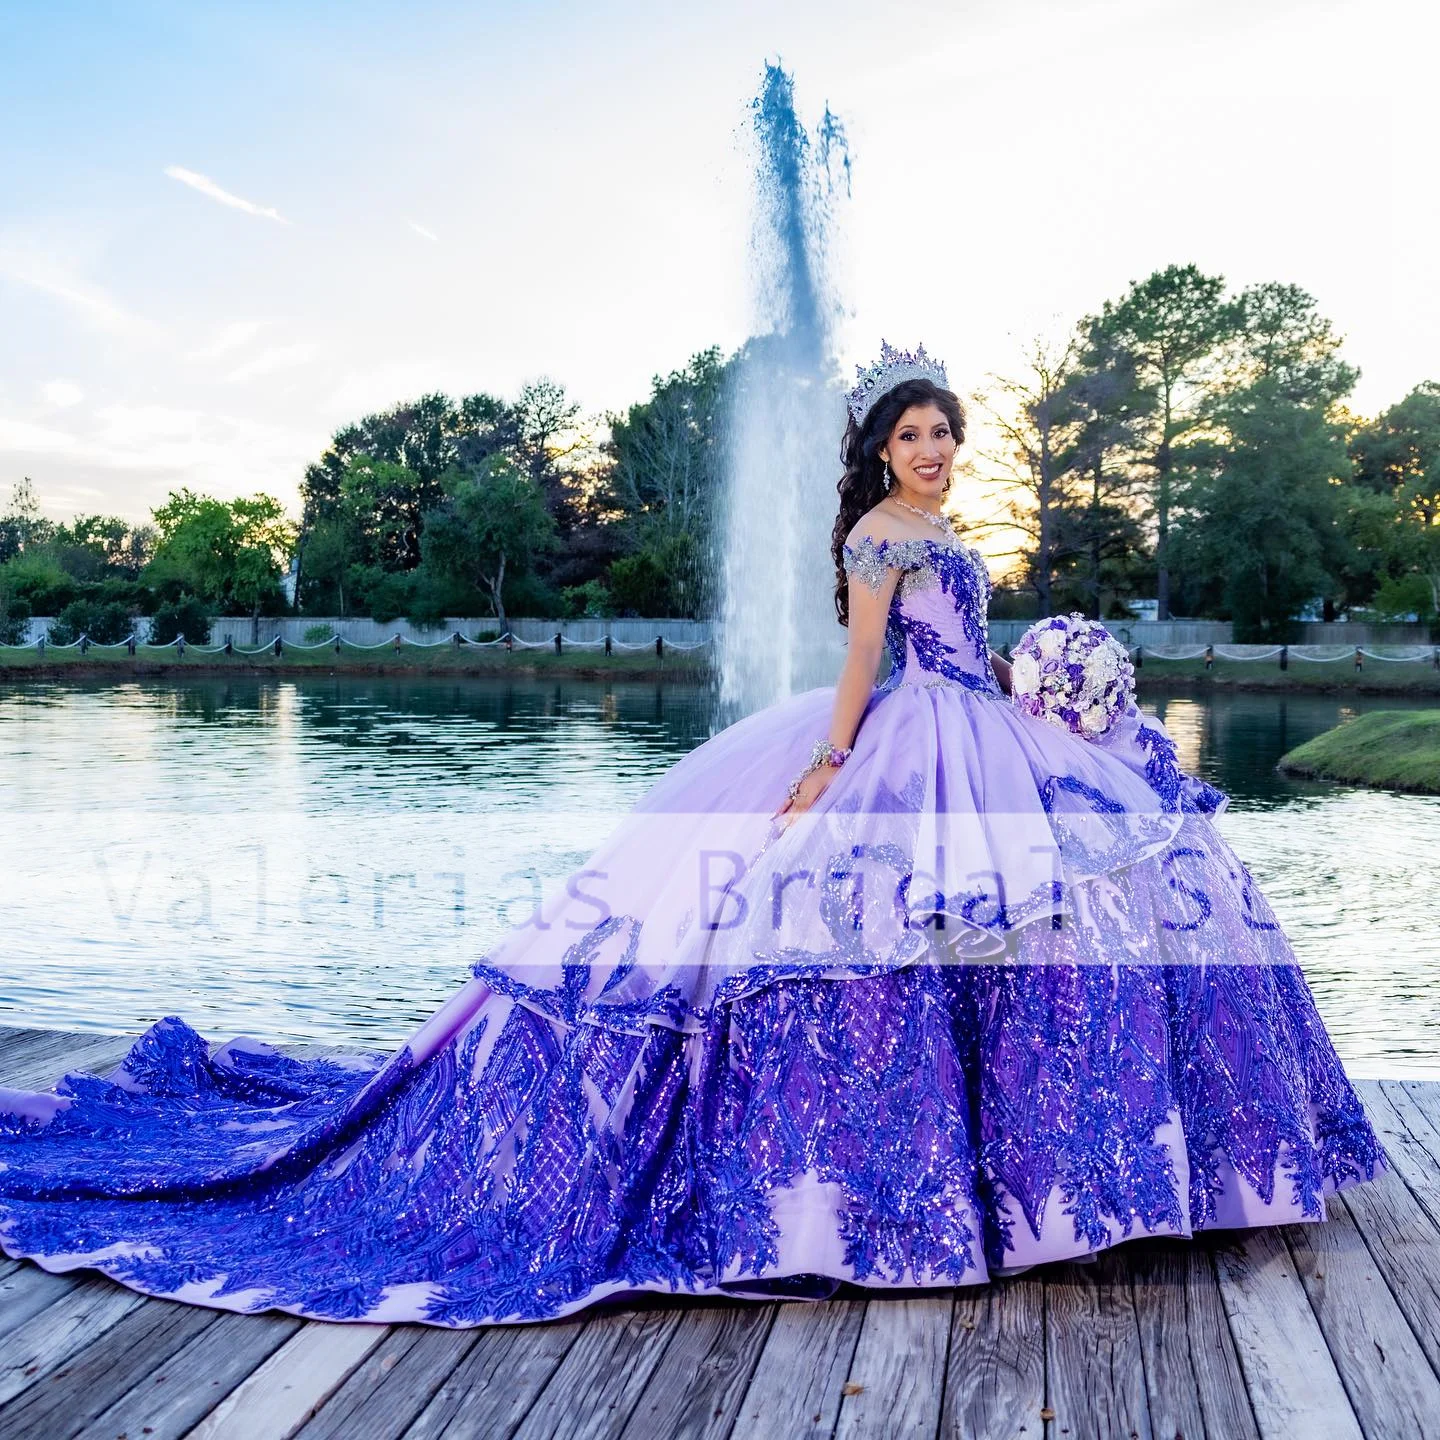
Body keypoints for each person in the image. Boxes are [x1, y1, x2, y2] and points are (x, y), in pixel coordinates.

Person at [0, 341, 1387, 1326]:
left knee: (1100, 891)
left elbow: (966, 648)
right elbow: (861, 675)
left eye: (947, 436)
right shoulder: (877, 543)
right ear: (879, 453)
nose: (935, 453)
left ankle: (1064, 1182)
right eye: (913, 437)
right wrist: (830, 770)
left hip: (984, 727)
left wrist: (1046, 686)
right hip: (902, 741)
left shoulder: (941, 533)